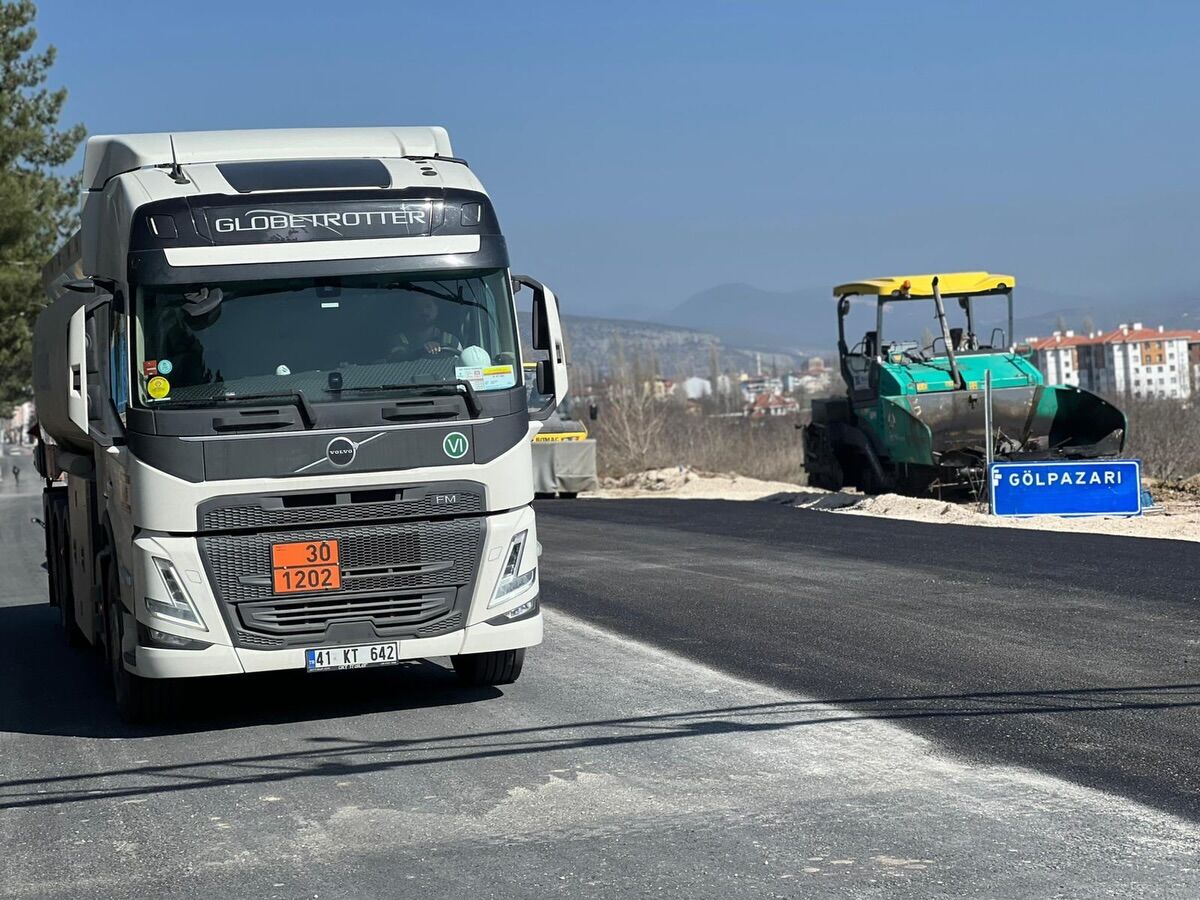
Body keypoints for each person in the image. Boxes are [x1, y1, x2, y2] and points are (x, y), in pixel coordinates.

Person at [385, 295, 460, 360]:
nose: (424, 311)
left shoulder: (451, 341)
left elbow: (464, 365)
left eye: (428, 306)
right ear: (410, 311)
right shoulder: (399, 340)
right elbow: (396, 360)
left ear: (437, 309)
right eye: (418, 308)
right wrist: (421, 351)